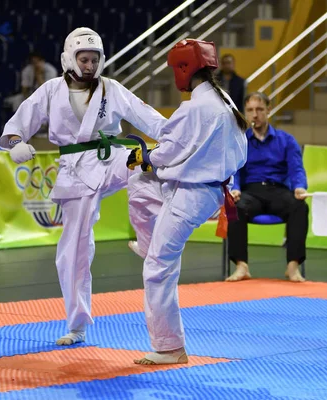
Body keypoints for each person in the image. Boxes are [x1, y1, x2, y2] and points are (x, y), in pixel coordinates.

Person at [0, 27, 167, 346]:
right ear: (68, 59)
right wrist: (16, 143)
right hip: (74, 170)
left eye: (94, 59)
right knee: (73, 251)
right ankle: (77, 324)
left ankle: (147, 239)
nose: (89, 65)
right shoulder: (49, 90)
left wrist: (178, 135)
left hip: (112, 155)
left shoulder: (112, 88)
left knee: (144, 162)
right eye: (83, 58)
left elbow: (150, 118)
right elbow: (16, 126)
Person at [127, 39, 248, 365]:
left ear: (184, 69)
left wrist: (146, 155)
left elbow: (168, 150)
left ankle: (170, 348)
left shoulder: (194, 109)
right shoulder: (225, 100)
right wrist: (151, 162)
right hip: (206, 188)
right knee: (139, 184)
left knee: (157, 268)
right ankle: (148, 241)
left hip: (191, 194)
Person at [225, 92, 308, 283]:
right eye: (250, 110)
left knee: (300, 207)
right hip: (250, 192)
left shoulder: (286, 140)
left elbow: (297, 169)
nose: (255, 115)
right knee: (235, 207)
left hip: (278, 191)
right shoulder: (240, 140)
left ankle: (293, 266)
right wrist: (235, 188)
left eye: (260, 109)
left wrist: (299, 187)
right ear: (245, 113)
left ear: (268, 111)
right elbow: (234, 170)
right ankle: (241, 265)